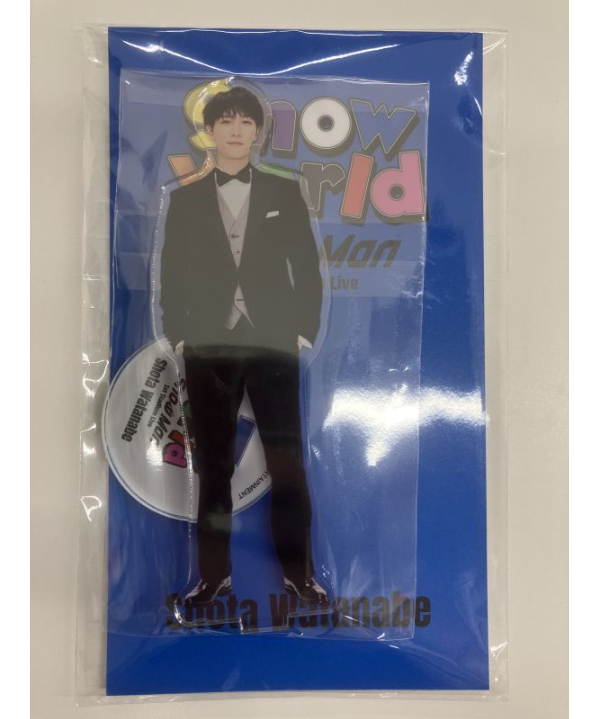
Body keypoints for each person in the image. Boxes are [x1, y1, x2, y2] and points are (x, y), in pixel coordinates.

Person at [160, 85, 327, 607]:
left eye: (245, 122)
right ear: (210, 131)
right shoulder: (184, 200)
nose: (235, 131)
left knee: (288, 464)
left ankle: (301, 578)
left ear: (257, 131)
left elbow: (306, 265)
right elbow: (172, 271)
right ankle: (214, 579)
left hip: (273, 343)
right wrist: (179, 333)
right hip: (208, 348)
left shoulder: (284, 192)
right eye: (226, 122)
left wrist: (303, 329)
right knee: (213, 467)